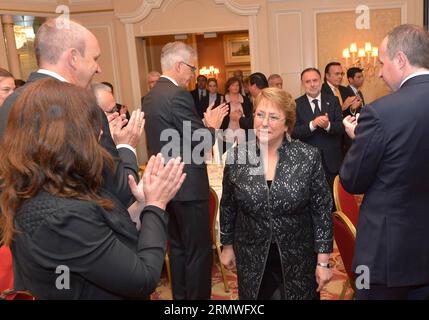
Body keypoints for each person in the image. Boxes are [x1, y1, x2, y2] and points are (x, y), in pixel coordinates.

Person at [0, 78, 186, 299]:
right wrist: (157, 205)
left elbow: (99, 229)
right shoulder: (61, 215)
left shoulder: (55, 183)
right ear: (68, 136)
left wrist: (144, 202)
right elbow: (143, 278)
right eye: (93, 127)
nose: (100, 135)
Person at [0, 18, 142, 207]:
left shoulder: (11, 103)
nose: (99, 68)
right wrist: (126, 146)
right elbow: (122, 191)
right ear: (73, 58)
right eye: (95, 58)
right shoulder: (81, 106)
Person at [340, 24, 429, 300]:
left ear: (400, 60)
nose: (378, 71)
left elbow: (353, 181)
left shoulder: (381, 112)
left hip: (388, 253)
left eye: (381, 62)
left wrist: (360, 140)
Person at [220, 87, 333, 300]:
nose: (264, 123)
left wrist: (324, 261)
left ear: (287, 123)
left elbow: (322, 211)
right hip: (252, 257)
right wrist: (227, 246)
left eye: (273, 117)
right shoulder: (237, 156)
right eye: (260, 115)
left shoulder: (307, 157)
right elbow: (228, 205)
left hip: (298, 258)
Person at [142, 41, 228, 300]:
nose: (193, 73)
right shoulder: (177, 95)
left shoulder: (151, 96)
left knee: (178, 249)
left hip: (167, 185)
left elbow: (177, 137)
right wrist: (211, 126)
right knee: (199, 252)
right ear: (179, 66)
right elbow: (200, 141)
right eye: (191, 67)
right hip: (188, 186)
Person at [292, 68, 344, 192]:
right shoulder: (296, 104)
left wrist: (328, 126)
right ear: (302, 84)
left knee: (334, 197)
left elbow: (341, 127)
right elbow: (293, 132)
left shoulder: (333, 100)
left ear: (321, 81)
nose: (312, 84)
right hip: (307, 162)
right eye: (307, 81)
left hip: (332, 160)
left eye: (315, 80)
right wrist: (312, 124)